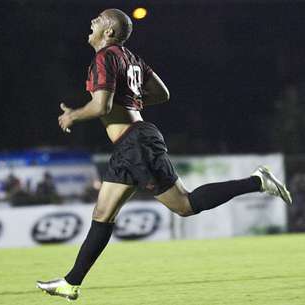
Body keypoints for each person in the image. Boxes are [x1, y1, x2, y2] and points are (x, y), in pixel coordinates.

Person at [37, 8, 292, 301]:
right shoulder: (131, 58)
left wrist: (74, 117)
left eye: (99, 19)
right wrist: (132, 100)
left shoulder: (105, 57)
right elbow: (162, 93)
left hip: (136, 144)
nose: (92, 21)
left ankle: (257, 181)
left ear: (109, 31)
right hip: (129, 145)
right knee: (102, 214)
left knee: (184, 205)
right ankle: (71, 283)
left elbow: (101, 107)